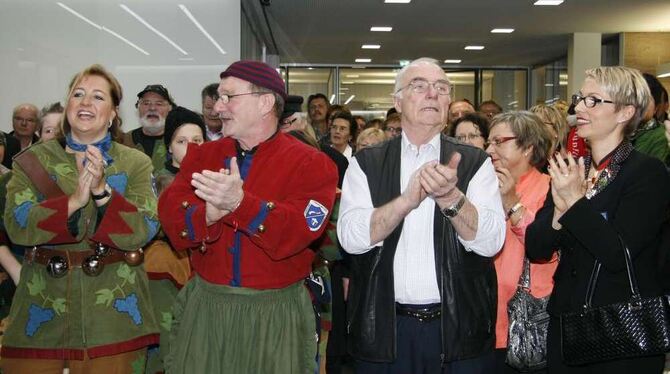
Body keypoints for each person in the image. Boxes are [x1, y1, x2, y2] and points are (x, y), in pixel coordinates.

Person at [158, 60, 338, 374]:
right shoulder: (201, 156)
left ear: (265, 102)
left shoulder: (313, 165)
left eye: (229, 97)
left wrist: (240, 204)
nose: (218, 107)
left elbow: (299, 230)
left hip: (276, 315)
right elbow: (173, 217)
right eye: (217, 97)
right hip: (207, 311)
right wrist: (209, 214)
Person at [337, 57, 505, 373]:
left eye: (441, 88)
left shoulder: (474, 162)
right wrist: (405, 201)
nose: (432, 94)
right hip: (386, 331)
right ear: (397, 101)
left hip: (458, 331)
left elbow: (491, 242)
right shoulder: (366, 163)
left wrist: (451, 197)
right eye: (419, 86)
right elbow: (351, 238)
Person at [0, 64, 159, 373]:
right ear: (68, 105)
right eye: (78, 94)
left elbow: (143, 230)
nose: (86, 103)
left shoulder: (136, 163)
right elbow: (17, 225)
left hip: (113, 318)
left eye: (98, 97)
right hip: (40, 308)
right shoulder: (33, 160)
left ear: (113, 112)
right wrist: (73, 202)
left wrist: (102, 192)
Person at [526, 66, 668, 373]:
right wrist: (561, 210)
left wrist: (574, 202)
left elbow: (618, 253)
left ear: (625, 112)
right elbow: (536, 248)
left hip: (621, 330)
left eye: (593, 100)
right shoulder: (573, 169)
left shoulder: (647, 173)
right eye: (580, 98)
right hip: (566, 325)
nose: (579, 108)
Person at [484, 111, 558, 372]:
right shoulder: (482, 186)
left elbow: (543, 246)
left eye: (499, 141)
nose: (489, 149)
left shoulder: (552, 188)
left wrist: (512, 203)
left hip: (526, 318)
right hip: (484, 315)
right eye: (489, 142)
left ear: (528, 147)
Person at [145, 106, 204, 374]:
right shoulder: (154, 180)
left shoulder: (217, 179)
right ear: (169, 146)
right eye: (181, 141)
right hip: (164, 273)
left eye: (197, 141)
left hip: (206, 275)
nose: (190, 148)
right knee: (167, 344)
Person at [122, 84, 175, 174]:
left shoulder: (179, 140)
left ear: (170, 108)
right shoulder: (124, 142)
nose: (152, 108)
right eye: (146, 103)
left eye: (159, 104)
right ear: (138, 108)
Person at [631, 73, 670, 165]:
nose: (635, 103)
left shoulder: (661, 137)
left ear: (655, 107)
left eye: (643, 98)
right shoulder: (620, 131)